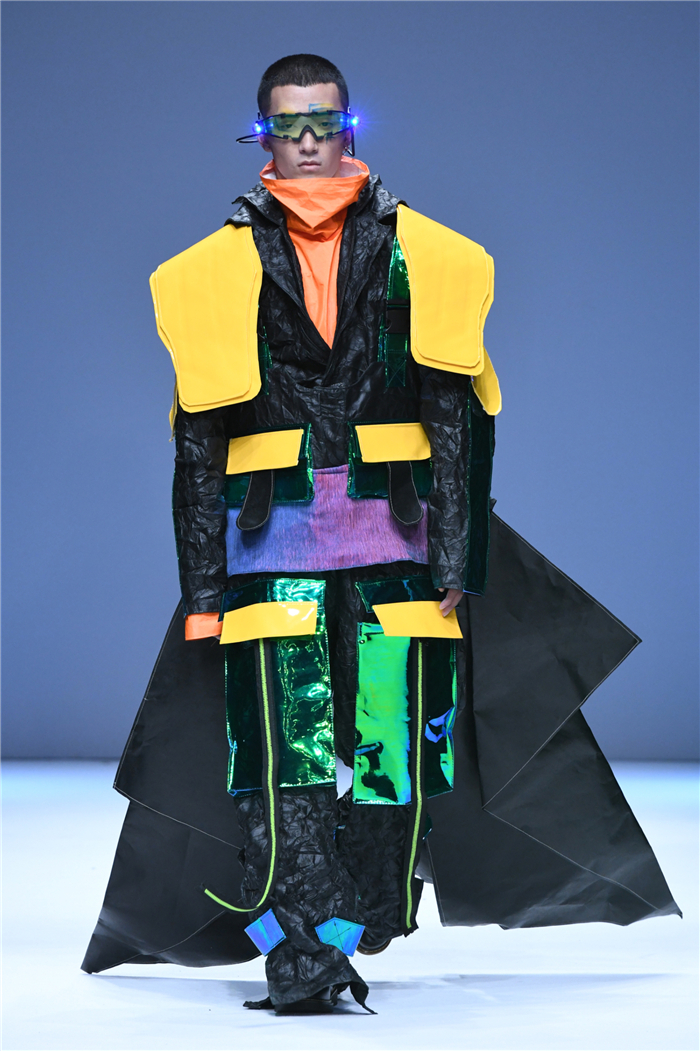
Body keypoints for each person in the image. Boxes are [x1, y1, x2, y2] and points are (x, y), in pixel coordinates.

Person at [82, 54, 679, 1015]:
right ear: (262, 135)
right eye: (288, 125)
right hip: (269, 557)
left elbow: (457, 417)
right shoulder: (206, 275)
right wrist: (202, 594)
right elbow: (197, 445)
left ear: (349, 127)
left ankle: (351, 928)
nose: (307, 141)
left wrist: (458, 558)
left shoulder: (432, 258)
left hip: (397, 555)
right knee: (282, 764)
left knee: (391, 768)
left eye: (323, 122)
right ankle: (302, 957)